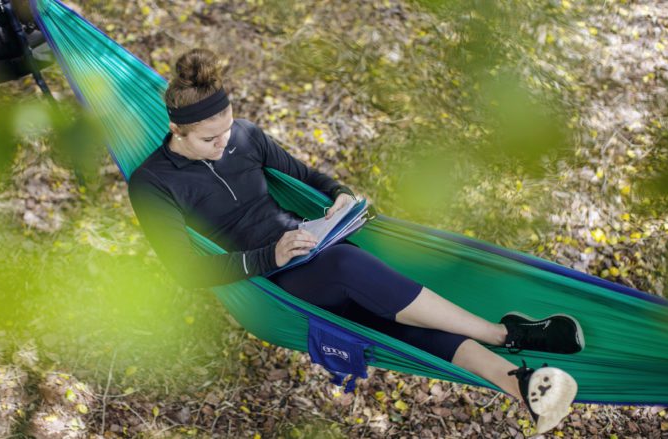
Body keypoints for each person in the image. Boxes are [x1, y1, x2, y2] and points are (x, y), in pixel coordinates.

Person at [127, 48, 584, 434]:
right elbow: (185, 270)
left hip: (315, 247)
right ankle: (505, 332)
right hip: (270, 285)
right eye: (210, 139)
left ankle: (520, 385)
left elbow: (310, 177)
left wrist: (340, 198)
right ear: (176, 130)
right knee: (348, 270)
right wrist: (272, 255)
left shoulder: (244, 136)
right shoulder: (154, 182)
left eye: (227, 130)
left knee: (389, 321)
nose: (223, 143)